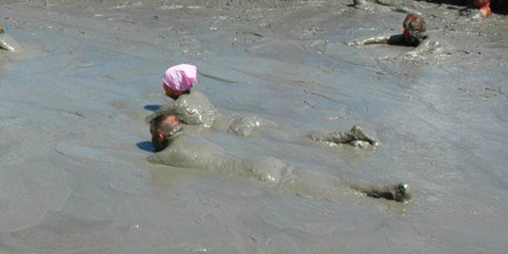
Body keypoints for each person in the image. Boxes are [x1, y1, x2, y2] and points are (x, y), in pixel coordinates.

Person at [148, 114, 409, 201]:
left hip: (257, 176)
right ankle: (381, 189)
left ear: (160, 138)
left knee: (330, 193)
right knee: (329, 180)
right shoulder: (195, 137)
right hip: (261, 161)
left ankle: (380, 193)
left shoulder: (167, 154)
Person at [151, 63, 378, 145]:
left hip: (237, 130)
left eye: (165, 82)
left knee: (294, 139)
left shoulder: (175, 107)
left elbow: (154, 122)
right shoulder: (199, 96)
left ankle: (345, 137)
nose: (162, 86)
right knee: (299, 134)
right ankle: (344, 136)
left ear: (174, 87)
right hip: (242, 120)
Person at [353, 12, 430, 48]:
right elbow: (386, 38)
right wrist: (363, 41)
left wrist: (415, 53)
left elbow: (427, 41)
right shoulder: (404, 37)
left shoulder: (423, 37)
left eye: (407, 30)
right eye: (404, 29)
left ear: (415, 31)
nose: (404, 32)